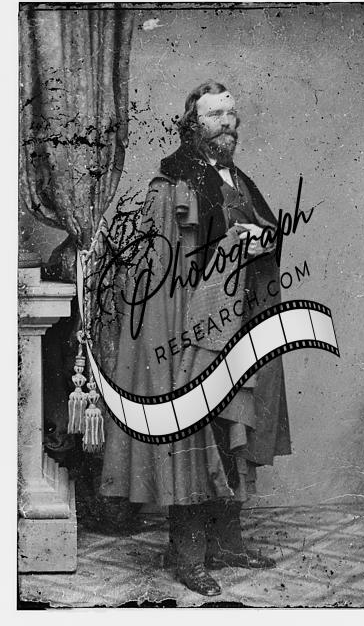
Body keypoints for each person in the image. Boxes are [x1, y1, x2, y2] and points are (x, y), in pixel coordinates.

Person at [98, 80, 291, 596]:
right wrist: (234, 247)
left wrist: (263, 241)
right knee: (193, 437)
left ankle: (227, 545)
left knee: (232, 432)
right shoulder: (172, 182)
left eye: (230, 113)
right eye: (213, 115)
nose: (225, 123)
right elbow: (170, 270)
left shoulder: (239, 179)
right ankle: (186, 556)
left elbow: (270, 233)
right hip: (194, 330)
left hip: (240, 325)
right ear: (192, 124)